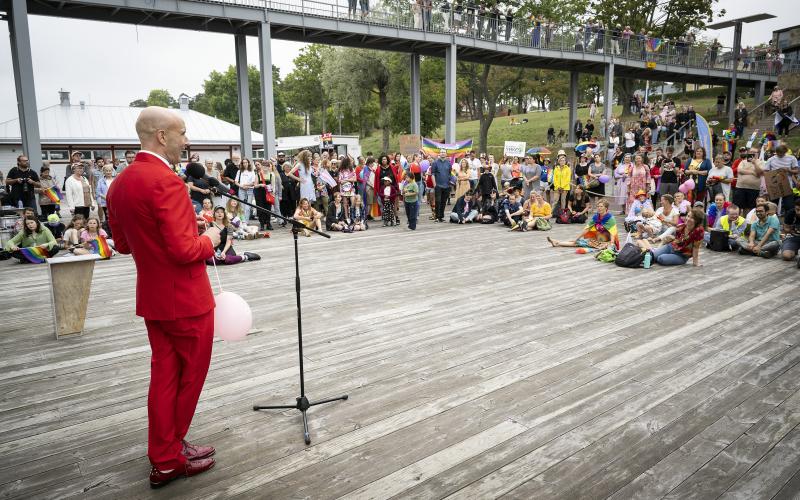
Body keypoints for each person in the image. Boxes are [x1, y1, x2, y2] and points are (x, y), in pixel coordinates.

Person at [105, 107, 221, 488]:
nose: (186, 141)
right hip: (186, 299)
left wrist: (187, 228)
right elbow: (185, 251)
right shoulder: (166, 182)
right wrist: (210, 238)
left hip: (154, 299)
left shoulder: (120, 184)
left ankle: (166, 452)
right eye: (182, 133)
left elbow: (122, 244)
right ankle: (170, 456)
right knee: (190, 376)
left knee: (165, 377)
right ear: (161, 136)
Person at [547, 198, 619, 250]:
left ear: (606, 208)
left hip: (607, 242)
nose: (599, 208)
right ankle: (557, 242)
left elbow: (612, 232)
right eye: (598, 206)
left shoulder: (610, 219)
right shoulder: (596, 217)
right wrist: (577, 238)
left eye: (601, 206)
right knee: (576, 242)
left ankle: (557, 242)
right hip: (596, 240)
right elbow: (587, 229)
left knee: (608, 247)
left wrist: (612, 243)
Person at [763, 144, 798, 218]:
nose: (779, 155)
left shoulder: (792, 158)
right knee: (772, 206)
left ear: (785, 152)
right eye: (778, 153)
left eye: (781, 153)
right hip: (774, 186)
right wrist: (773, 174)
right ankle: (771, 221)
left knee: (789, 206)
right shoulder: (771, 159)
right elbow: (765, 171)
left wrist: (789, 170)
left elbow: (796, 171)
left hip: (787, 186)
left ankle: (788, 223)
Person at [252, 161, 274, 231]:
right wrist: (260, 185)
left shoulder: (271, 175)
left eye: (267, 166)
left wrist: (272, 191)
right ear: (262, 166)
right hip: (259, 194)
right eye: (264, 166)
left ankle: (268, 223)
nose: (265, 168)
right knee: (260, 208)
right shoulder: (258, 175)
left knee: (268, 208)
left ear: (269, 167)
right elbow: (255, 185)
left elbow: (273, 186)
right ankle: (262, 224)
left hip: (268, 193)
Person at [430, 149, 452, 222]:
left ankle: (441, 217)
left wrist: (450, 182)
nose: (443, 153)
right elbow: (432, 174)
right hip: (438, 185)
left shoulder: (448, 163)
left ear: (446, 154)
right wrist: (435, 185)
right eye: (441, 152)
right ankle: (437, 217)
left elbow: (449, 174)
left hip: (446, 185)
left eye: (444, 152)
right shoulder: (435, 163)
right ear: (439, 154)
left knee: (443, 201)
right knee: (438, 201)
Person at [781, 199, 800, 265]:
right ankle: (794, 251)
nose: (798, 212)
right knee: (786, 256)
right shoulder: (791, 213)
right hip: (793, 237)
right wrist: (790, 230)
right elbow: (785, 228)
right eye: (797, 209)